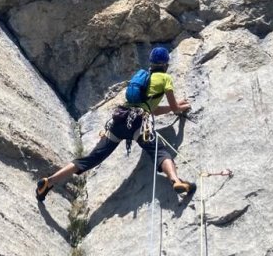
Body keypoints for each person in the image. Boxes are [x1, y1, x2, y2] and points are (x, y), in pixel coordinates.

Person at [36, 46, 196, 202]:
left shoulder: (143, 78)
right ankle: (176, 180)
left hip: (120, 119)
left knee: (91, 158)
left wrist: (171, 108)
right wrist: (180, 107)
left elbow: (153, 109)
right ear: (166, 64)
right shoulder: (165, 78)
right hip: (140, 123)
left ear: (151, 62)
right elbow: (174, 109)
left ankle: (49, 181)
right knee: (160, 153)